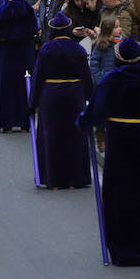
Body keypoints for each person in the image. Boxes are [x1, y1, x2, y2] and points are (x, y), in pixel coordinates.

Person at [78, 38, 140, 266]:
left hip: (120, 142)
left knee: (120, 194)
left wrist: (83, 122)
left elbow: (96, 110)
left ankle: (124, 249)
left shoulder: (112, 80)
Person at [29, 12, 94, 189]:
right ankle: (75, 179)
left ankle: (54, 179)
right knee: (74, 135)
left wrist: (32, 103)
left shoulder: (46, 49)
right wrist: (92, 99)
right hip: (74, 96)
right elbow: (86, 78)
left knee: (53, 136)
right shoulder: (78, 49)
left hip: (51, 97)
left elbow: (38, 77)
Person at [0, 0, 38, 132]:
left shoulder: (2, 9)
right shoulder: (28, 9)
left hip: (7, 54)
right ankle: (25, 123)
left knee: (6, 86)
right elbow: (34, 29)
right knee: (25, 86)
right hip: (25, 54)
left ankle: (6, 123)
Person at [89, 15, 120, 85]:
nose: (119, 29)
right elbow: (94, 65)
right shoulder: (101, 45)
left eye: (119, 26)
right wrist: (100, 78)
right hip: (105, 81)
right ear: (108, 29)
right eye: (116, 27)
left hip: (118, 81)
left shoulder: (121, 43)